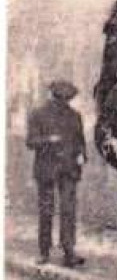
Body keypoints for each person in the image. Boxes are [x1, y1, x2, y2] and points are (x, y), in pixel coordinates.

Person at [26, 79, 87, 267]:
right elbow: (30, 142)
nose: (64, 102)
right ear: (53, 95)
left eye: (67, 99)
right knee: (46, 211)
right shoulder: (38, 114)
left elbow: (80, 141)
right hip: (47, 170)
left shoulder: (75, 116)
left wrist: (82, 156)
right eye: (61, 98)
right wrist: (48, 140)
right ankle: (44, 252)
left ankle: (69, 252)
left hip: (69, 170)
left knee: (68, 212)